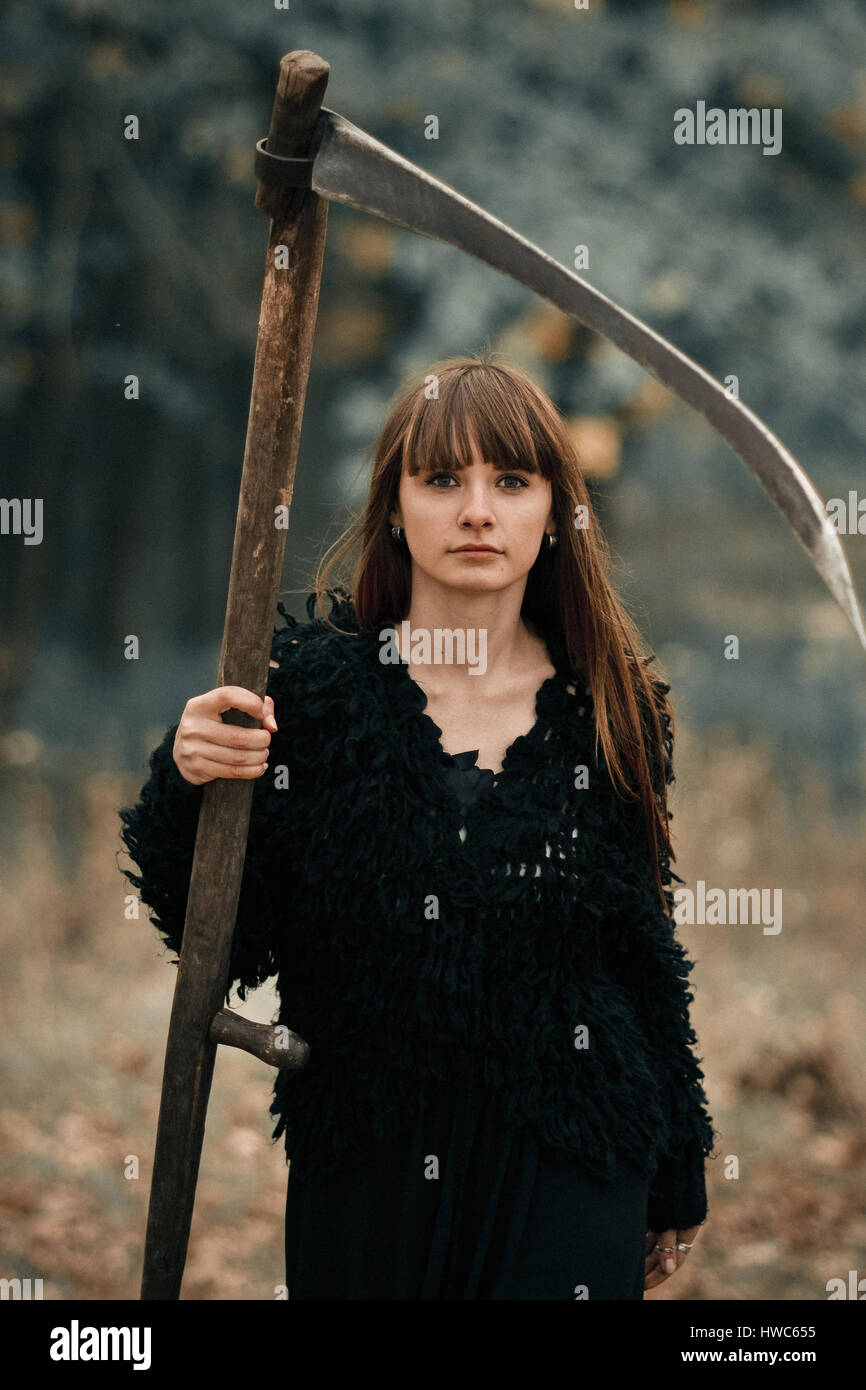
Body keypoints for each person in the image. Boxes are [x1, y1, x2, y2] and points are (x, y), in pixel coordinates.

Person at [119, 353, 718, 1300]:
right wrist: (189, 777)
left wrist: (680, 1157)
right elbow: (221, 934)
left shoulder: (611, 708)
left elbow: (640, 950)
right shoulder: (306, 700)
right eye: (443, 479)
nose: (477, 510)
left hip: (571, 1158)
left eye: (511, 481)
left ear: (555, 512)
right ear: (395, 506)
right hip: (369, 1160)